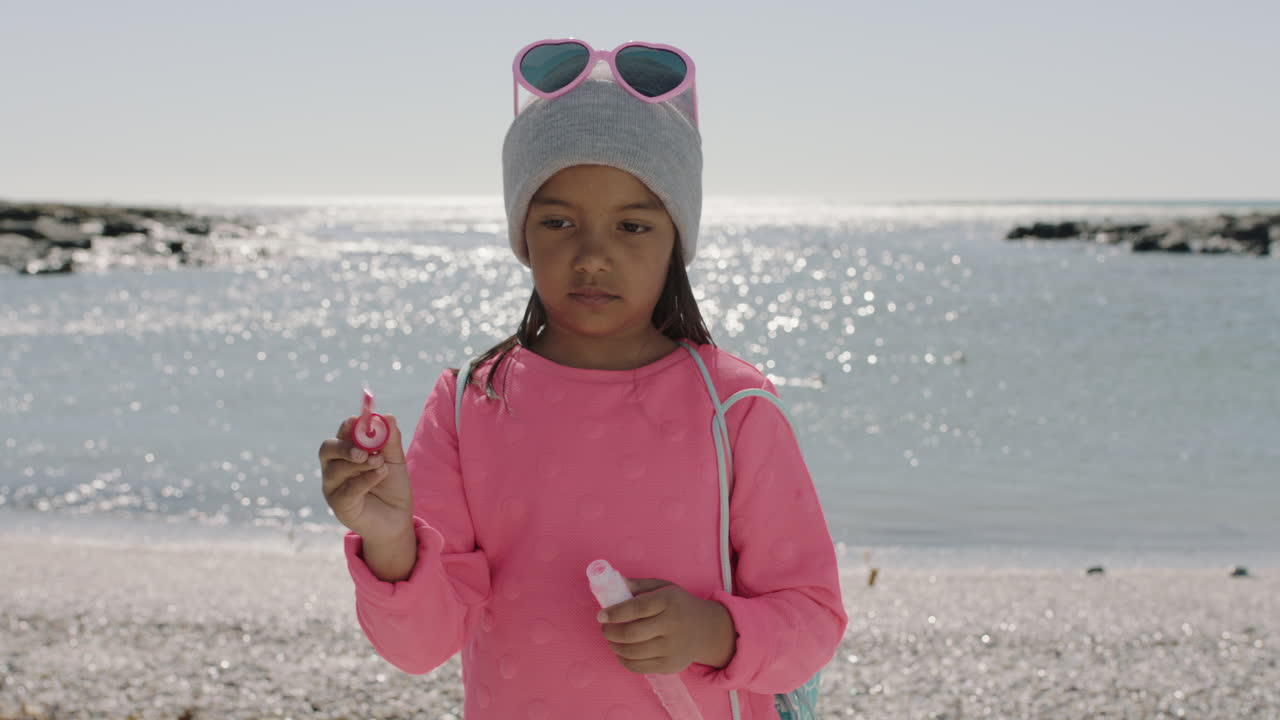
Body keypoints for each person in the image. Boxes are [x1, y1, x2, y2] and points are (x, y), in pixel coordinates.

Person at [318, 38, 847, 719]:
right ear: (523, 234)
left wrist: (711, 632)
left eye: (632, 225)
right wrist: (390, 540)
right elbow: (418, 648)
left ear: (676, 239)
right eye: (559, 221)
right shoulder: (469, 404)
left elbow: (812, 619)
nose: (593, 255)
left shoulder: (734, 405)